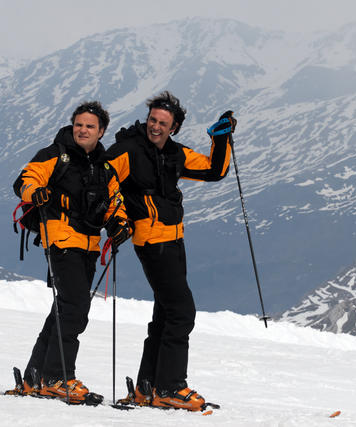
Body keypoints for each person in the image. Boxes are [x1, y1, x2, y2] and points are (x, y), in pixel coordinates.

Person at [107, 91, 236, 411]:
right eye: (152, 119)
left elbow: (213, 171)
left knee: (165, 313)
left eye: (163, 123)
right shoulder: (128, 150)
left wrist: (220, 139)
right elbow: (102, 178)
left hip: (174, 238)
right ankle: (170, 387)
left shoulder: (175, 153)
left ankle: (147, 388)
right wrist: (117, 218)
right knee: (181, 311)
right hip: (151, 240)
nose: (155, 126)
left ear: (174, 127)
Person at [8, 101, 131, 404]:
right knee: (75, 308)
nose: (82, 130)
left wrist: (120, 224)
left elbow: (115, 200)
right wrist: (34, 192)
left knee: (63, 310)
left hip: (88, 244)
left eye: (90, 126)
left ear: (101, 131)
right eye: (79, 124)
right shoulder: (55, 154)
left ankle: (34, 377)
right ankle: (57, 378)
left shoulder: (103, 165)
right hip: (61, 240)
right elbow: (25, 179)